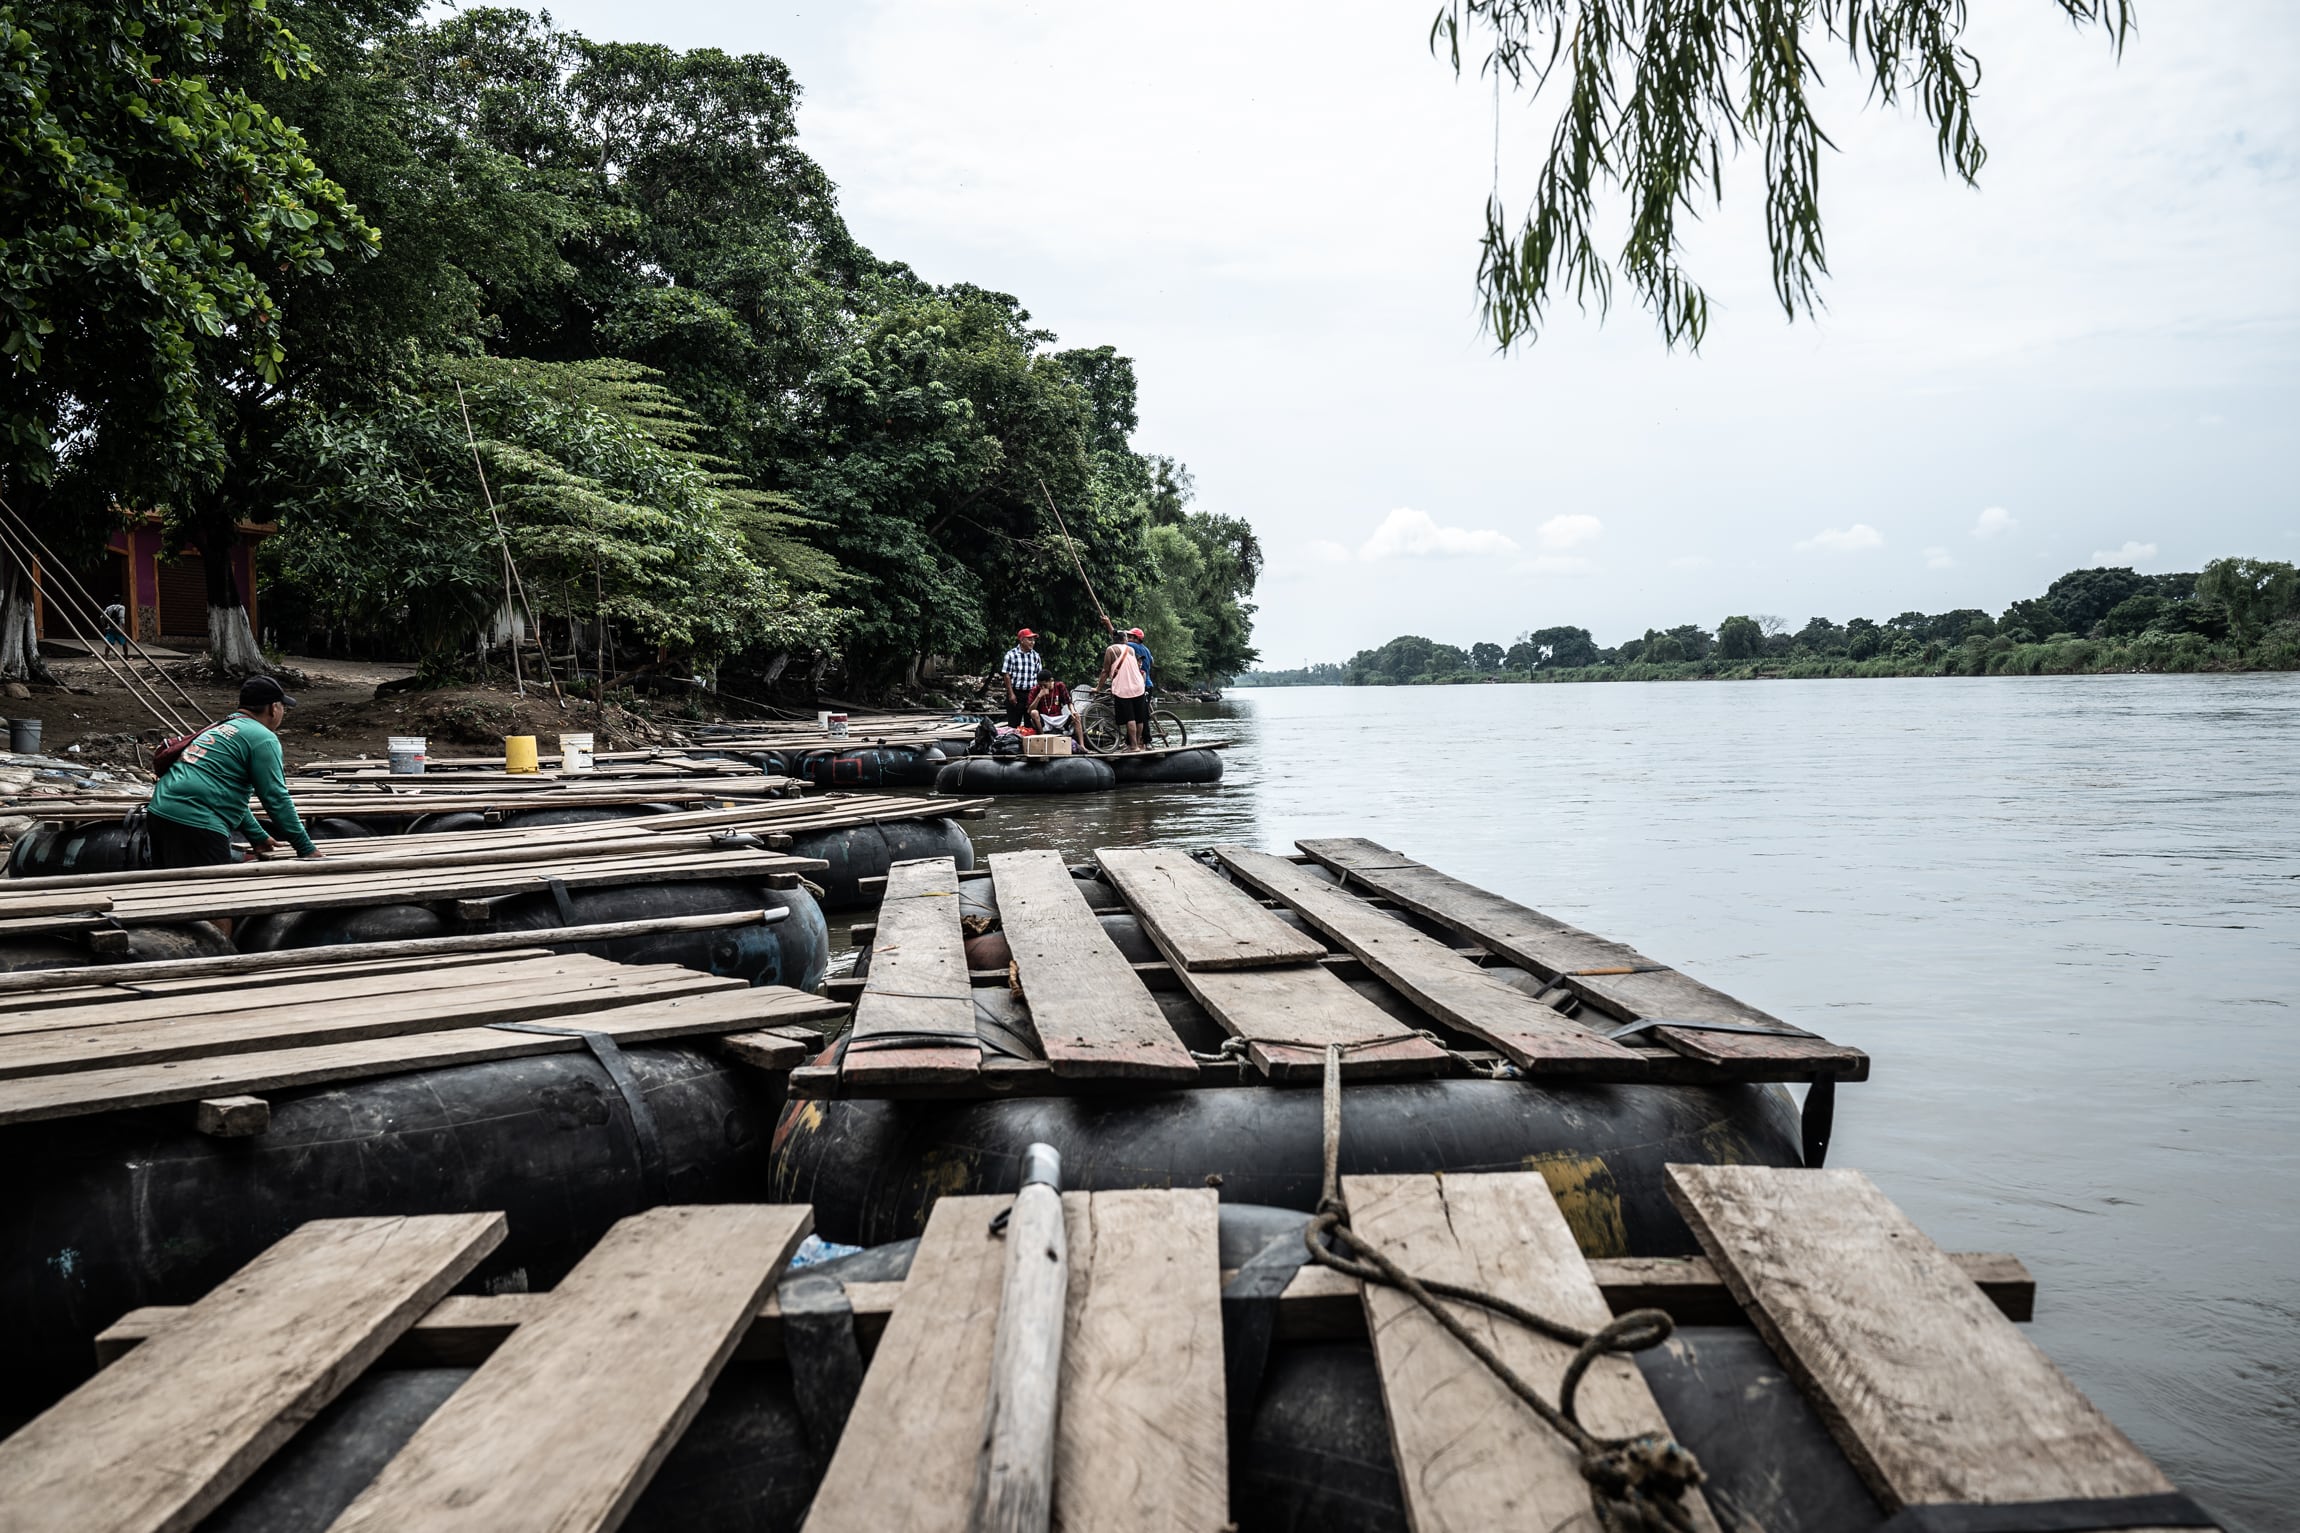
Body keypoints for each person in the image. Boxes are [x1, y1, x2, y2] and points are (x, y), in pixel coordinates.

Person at [146, 676, 322, 868]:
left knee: (170, 888)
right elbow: (275, 797)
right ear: (273, 708)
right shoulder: (263, 738)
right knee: (209, 893)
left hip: (160, 812)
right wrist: (306, 849)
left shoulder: (221, 727)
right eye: (283, 706)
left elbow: (225, 795)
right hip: (197, 822)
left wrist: (257, 835)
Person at [1097, 630, 1149, 752]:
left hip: (1123, 689)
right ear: (1125, 640)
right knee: (1139, 718)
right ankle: (1136, 745)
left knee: (1130, 719)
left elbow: (1105, 671)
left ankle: (1134, 746)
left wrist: (1098, 688)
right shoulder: (1130, 650)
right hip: (1138, 686)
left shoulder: (1111, 650)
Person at [998, 628, 1042, 729]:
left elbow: (1038, 676)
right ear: (1022, 640)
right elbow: (1006, 675)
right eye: (1029, 639)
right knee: (1013, 724)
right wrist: (1011, 694)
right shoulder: (1011, 655)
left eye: (1033, 640)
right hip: (1016, 693)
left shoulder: (1036, 656)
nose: (1032, 642)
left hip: (1031, 694)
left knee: (1030, 724)